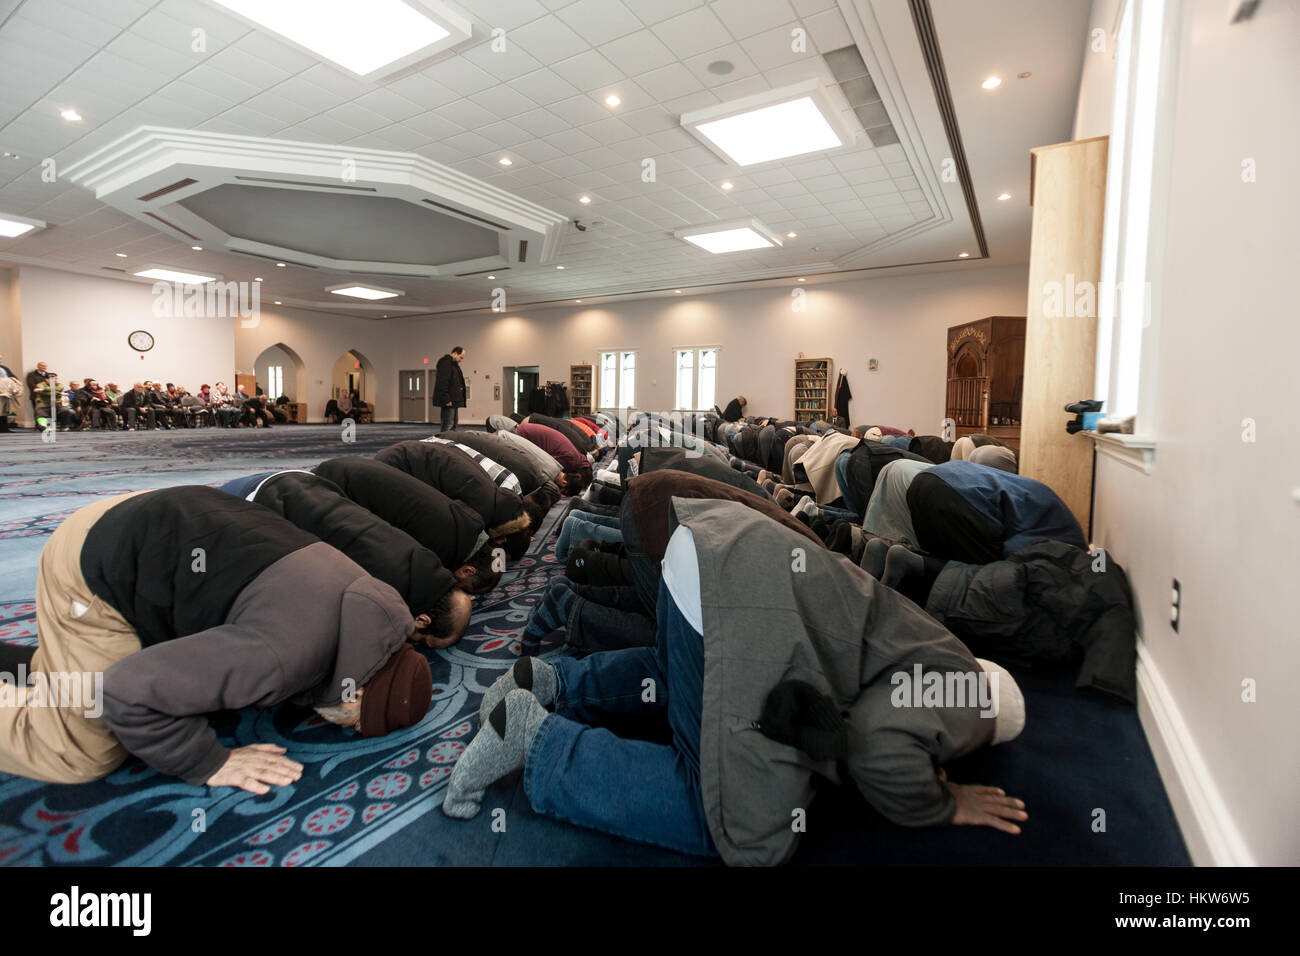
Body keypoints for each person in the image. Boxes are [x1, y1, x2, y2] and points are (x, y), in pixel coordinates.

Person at [443, 499, 1027, 865]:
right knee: (740, 822)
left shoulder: (926, 641)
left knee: (678, 675)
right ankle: (537, 738)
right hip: (744, 592)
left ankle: (547, 679)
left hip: (706, 541)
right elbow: (877, 742)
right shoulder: (971, 695)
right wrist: (939, 802)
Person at [0, 487, 433, 788]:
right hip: (93, 564)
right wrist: (209, 762)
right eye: (356, 721)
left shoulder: (373, 602)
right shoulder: (281, 657)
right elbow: (125, 691)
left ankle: (37, 664)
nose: (344, 725)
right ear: (353, 695)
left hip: (163, 518)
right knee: (84, 748)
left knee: (93, 675)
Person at [219, 469, 473, 647]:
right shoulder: (381, 592)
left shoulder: (423, 558)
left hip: (306, 481)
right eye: (423, 641)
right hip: (259, 499)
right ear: (422, 620)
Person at [312, 457, 502, 593]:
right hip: (334, 483)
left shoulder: (470, 525)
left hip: (351, 464)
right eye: (463, 586)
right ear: (468, 570)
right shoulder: (445, 548)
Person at [374, 440, 544, 559]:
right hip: (394, 465)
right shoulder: (480, 509)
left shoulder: (493, 497)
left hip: (408, 453)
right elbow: (450, 535)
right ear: (502, 539)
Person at [906, 460, 1086, 564]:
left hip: (926, 480)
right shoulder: (1065, 539)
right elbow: (1016, 554)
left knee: (940, 559)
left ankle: (896, 557)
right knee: (979, 576)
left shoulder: (1055, 513)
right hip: (958, 493)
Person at [433, 346, 466, 433]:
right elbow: (442, 382)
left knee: (454, 424)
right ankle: (443, 444)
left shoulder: (454, 365)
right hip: (449, 400)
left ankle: (450, 443)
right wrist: (446, 398)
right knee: (448, 425)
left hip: (454, 400)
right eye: (460, 357)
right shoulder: (445, 363)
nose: (461, 360)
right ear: (455, 353)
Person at [0, 353, 20, 432]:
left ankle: (4, 428)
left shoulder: (4, 368)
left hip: (6, 393)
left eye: (1, 359)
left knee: (4, 411)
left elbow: (14, 377)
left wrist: (12, 379)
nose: (0, 360)